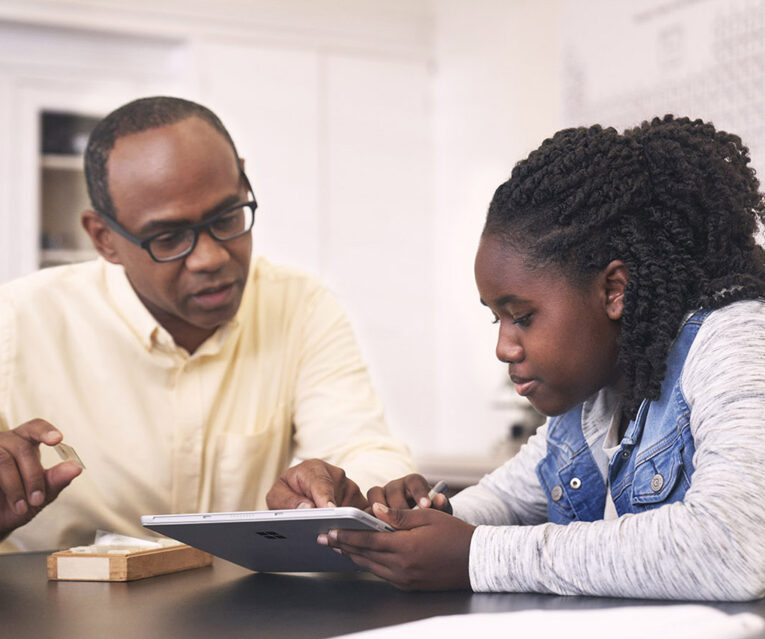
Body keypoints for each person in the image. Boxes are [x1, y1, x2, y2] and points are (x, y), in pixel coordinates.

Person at [311, 116, 765, 601]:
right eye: (496, 319)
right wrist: (411, 522)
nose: (504, 348)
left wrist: (476, 556)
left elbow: (733, 542)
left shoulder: (733, 339)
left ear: (615, 290)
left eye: (522, 316)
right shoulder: (595, 399)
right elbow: (501, 502)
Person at [0, 96, 414, 552]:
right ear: (104, 239)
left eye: (227, 217)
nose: (211, 257)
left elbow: (363, 448)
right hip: (59, 613)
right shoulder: (17, 322)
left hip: (239, 612)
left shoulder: (299, 305)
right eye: (169, 237)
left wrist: (339, 490)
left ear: (242, 179)